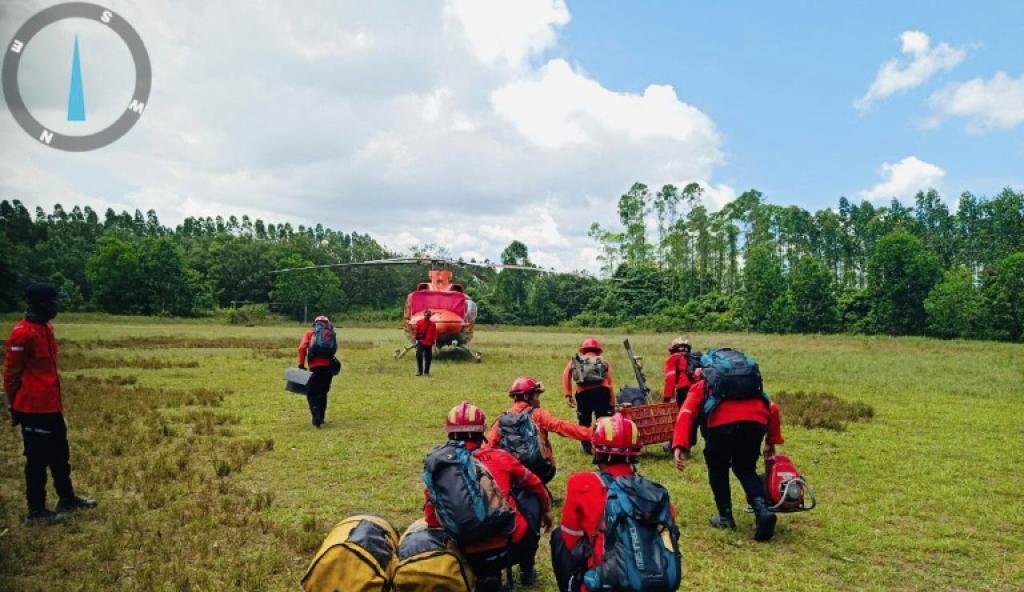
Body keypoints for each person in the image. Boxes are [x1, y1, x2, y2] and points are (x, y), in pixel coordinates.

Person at [424, 401, 553, 590]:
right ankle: (527, 567)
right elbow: (535, 484)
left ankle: (483, 576)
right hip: (512, 545)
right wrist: (547, 510)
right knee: (529, 496)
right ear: (481, 431)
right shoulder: (500, 457)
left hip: (466, 553)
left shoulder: (440, 467)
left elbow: (431, 516)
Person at [551, 413, 680, 592]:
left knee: (558, 536)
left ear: (597, 449)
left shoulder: (581, 483)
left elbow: (570, 536)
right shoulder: (652, 492)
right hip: (650, 581)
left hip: (602, 582)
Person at [3, 282, 96, 525]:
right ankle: (35, 510)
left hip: (52, 405)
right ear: (42, 304)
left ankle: (67, 497)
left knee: (60, 455)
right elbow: (11, 374)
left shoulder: (46, 329)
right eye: (54, 301)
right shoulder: (22, 334)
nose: (57, 305)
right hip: (33, 408)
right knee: (36, 460)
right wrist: (13, 406)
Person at [671, 368, 785, 541]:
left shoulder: (703, 386)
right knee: (746, 468)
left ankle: (725, 517)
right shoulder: (750, 387)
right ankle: (762, 511)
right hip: (755, 424)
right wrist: (770, 440)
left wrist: (680, 445)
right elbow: (773, 409)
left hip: (721, 426)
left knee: (718, 466)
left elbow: (686, 413)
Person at [485, 376, 592, 484]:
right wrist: (591, 433)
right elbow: (561, 426)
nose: (538, 399)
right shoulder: (538, 414)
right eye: (536, 395)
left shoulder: (502, 419)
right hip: (542, 471)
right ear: (527, 396)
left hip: (513, 474)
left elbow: (488, 446)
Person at [561, 337, 614, 453]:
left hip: (583, 394)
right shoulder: (604, 362)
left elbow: (566, 375)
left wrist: (568, 394)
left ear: (583, 350)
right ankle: (603, 445)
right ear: (598, 350)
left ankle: (587, 447)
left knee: (584, 421)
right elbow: (610, 384)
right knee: (603, 420)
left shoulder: (576, 361)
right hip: (602, 392)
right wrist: (612, 403)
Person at [297, 315, 337, 428]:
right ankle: (322, 417)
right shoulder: (331, 333)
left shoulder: (310, 333)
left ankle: (315, 412)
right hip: (328, 367)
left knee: (311, 392)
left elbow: (301, 348)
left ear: (315, 323)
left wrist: (301, 364)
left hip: (315, 366)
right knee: (323, 392)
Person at [662, 337, 694, 405]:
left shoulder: (673, 358)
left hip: (683, 389)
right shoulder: (693, 358)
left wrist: (667, 397)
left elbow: (670, 378)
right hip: (697, 389)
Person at [414, 309, 437, 376]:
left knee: (428, 358)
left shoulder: (433, 324)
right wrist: (416, 341)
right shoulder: (419, 322)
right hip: (421, 342)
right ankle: (420, 371)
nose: (427, 316)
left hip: (429, 343)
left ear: (430, 316)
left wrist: (435, 344)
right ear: (424, 315)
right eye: (426, 315)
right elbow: (416, 332)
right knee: (419, 355)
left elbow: (434, 334)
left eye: (429, 315)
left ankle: (426, 372)